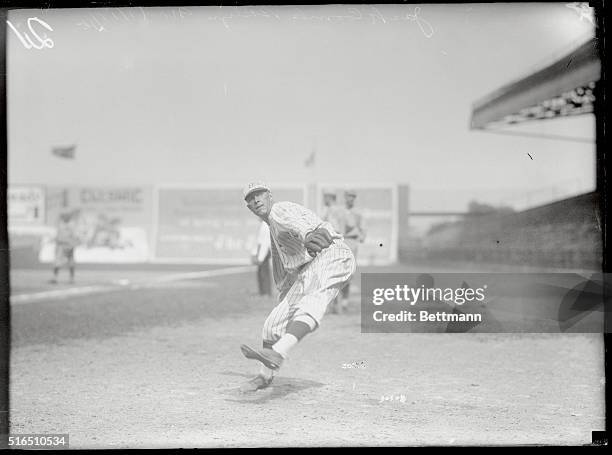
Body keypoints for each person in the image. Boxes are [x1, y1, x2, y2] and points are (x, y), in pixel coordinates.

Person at [239, 182, 356, 393]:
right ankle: (265, 376)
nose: (256, 200)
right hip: (309, 267)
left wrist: (309, 234)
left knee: (313, 301)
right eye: (250, 198)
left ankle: (279, 352)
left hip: (331, 253)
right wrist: (285, 294)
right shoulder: (272, 229)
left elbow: (299, 224)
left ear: (269, 196)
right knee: (273, 324)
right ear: (248, 207)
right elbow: (284, 266)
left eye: (260, 195)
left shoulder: (279, 210)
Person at [334, 189, 366, 313]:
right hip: (340, 243)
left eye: (353, 196)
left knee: (349, 273)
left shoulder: (358, 213)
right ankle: (335, 302)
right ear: (345, 197)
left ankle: (344, 302)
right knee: (337, 272)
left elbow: (363, 229)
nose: (351, 198)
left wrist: (361, 236)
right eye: (349, 196)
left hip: (352, 243)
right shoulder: (339, 212)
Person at [50, 211, 80, 284]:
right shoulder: (60, 225)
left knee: (71, 263)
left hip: (69, 246)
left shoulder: (72, 225)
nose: (64, 217)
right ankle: (55, 278)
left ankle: (71, 279)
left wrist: (72, 245)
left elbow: (75, 237)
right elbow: (57, 236)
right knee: (57, 262)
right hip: (61, 246)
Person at [251, 220, 272, 296]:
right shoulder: (263, 224)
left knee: (264, 272)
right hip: (262, 251)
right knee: (261, 272)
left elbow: (265, 242)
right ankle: (263, 291)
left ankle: (266, 292)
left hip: (264, 251)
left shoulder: (265, 225)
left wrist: (260, 258)